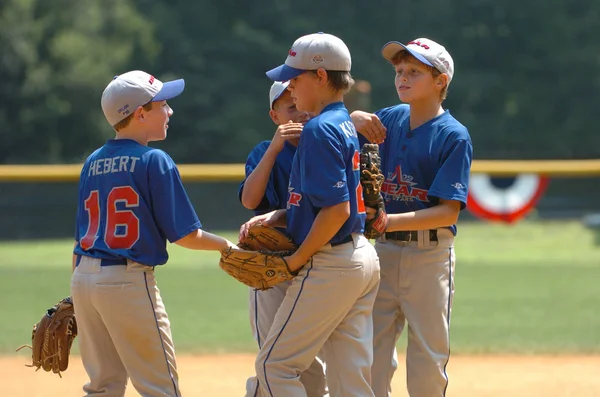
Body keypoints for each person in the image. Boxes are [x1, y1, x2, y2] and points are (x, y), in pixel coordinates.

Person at [70, 70, 234, 397]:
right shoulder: (154, 160)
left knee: (102, 387)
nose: (169, 111)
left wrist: (75, 296)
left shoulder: (92, 162)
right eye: (162, 104)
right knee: (160, 388)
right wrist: (228, 247)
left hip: (84, 282)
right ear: (140, 113)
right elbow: (186, 235)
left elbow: (80, 240)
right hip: (126, 283)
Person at [240, 32, 380, 397]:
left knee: (274, 368)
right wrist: (282, 216)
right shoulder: (344, 122)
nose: (290, 85)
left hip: (329, 260)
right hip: (360, 255)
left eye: (295, 77)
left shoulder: (318, 129)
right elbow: (325, 204)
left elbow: (336, 210)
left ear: (320, 76)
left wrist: (296, 260)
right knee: (351, 381)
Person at [351, 38, 473, 397]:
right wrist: (351, 117)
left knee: (427, 357)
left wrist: (388, 221)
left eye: (415, 72)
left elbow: (447, 211)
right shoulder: (387, 119)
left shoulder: (453, 135)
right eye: (399, 71)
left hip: (429, 257)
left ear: (441, 81)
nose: (403, 77)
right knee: (369, 353)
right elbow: (332, 137)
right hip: (381, 253)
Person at [238, 81, 328, 397]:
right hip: (271, 266)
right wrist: (275, 147)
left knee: (310, 354)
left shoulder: (325, 146)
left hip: (318, 259)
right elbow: (250, 201)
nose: (300, 113)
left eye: (302, 104)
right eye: (290, 107)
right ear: (274, 116)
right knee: (273, 350)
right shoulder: (264, 152)